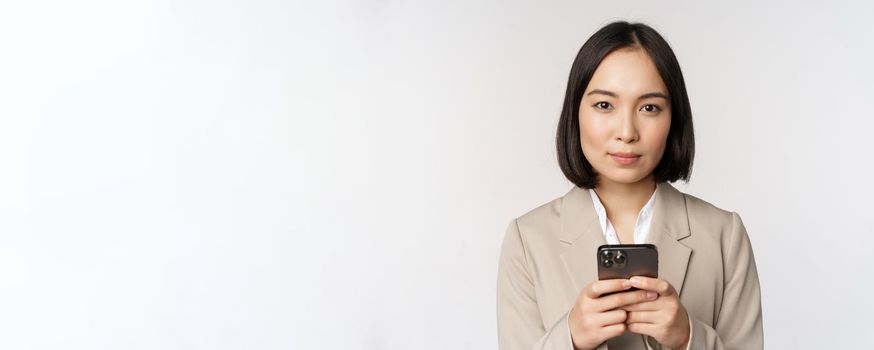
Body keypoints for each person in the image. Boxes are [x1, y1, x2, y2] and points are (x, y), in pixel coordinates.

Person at [496, 21, 763, 350]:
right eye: (604, 105)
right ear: (575, 112)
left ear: (673, 118)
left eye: (649, 107)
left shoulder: (725, 235)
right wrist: (570, 339)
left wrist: (688, 337)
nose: (626, 131)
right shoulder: (528, 240)